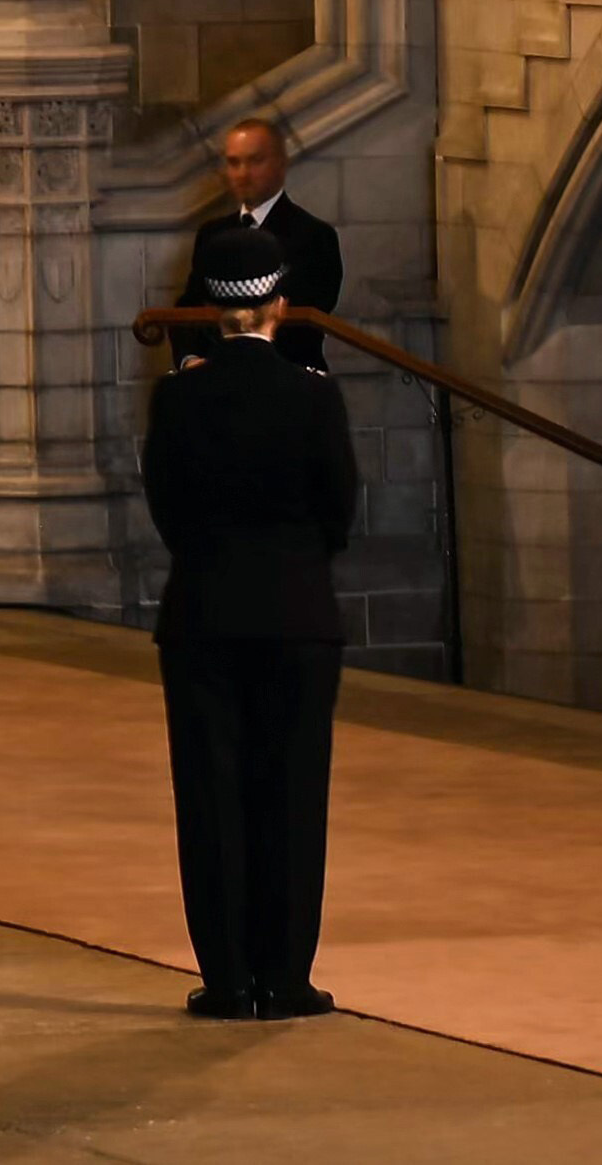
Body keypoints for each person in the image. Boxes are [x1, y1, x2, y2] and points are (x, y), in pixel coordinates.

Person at [144, 299, 366, 1021]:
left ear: (214, 309)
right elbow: (338, 507)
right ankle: (287, 976)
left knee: (212, 797)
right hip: (298, 616)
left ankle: (229, 979)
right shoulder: (313, 393)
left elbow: (167, 506)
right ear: (276, 305)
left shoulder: (178, 396)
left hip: (203, 614)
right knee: (294, 796)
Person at [181, 112, 346, 356]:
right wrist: (190, 360)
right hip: (216, 378)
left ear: (281, 163)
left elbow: (307, 321)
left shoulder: (315, 236)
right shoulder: (211, 235)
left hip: (288, 380)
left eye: (255, 161)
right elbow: (190, 309)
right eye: (234, 162)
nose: (243, 174)